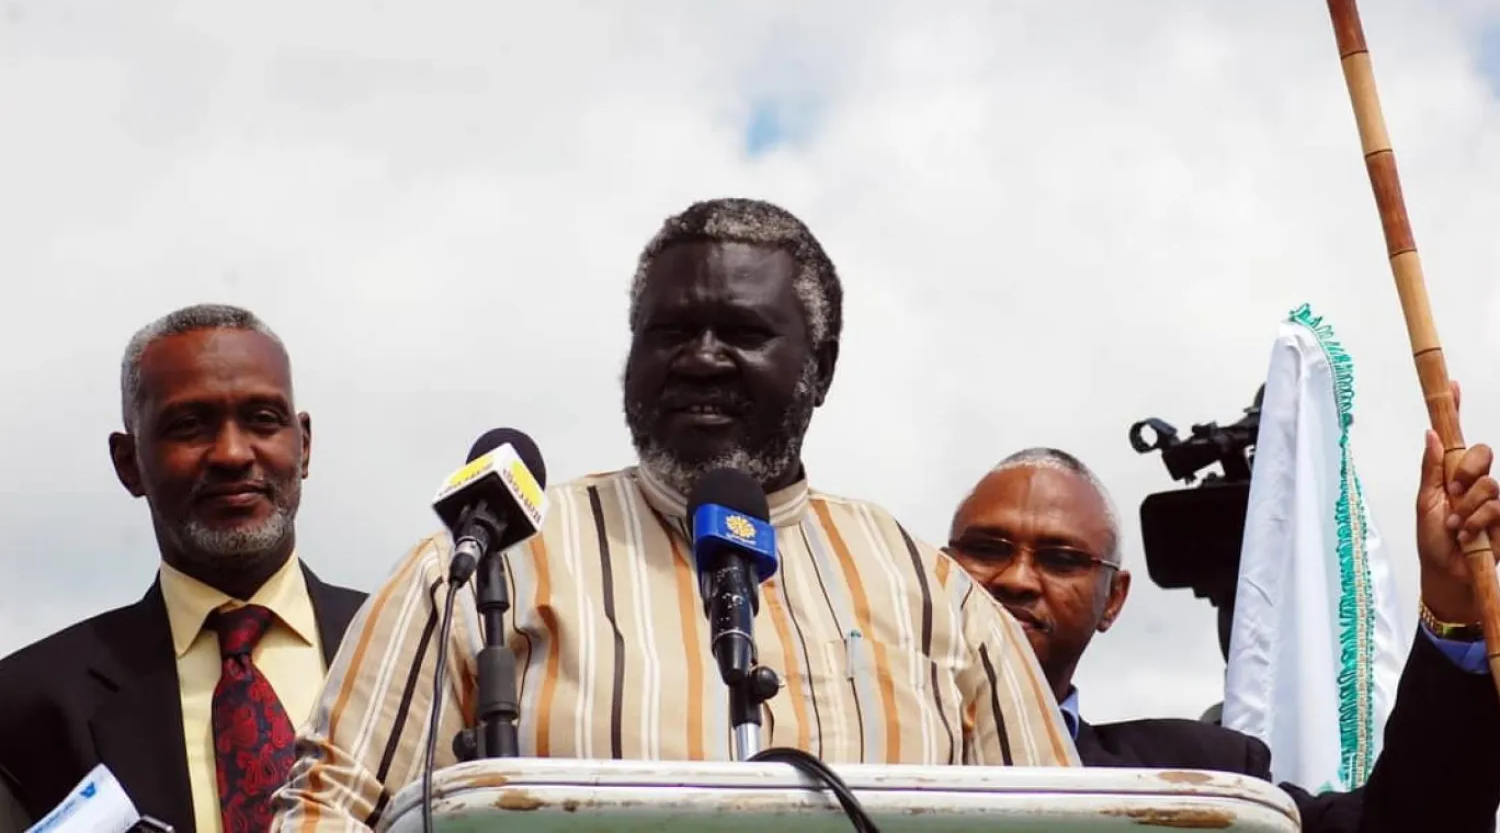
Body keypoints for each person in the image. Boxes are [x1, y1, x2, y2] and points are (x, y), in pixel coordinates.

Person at [271, 198, 1077, 832]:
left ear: (821, 368)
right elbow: (329, 807)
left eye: (742, 332)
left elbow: (1065, 822)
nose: (701, 358)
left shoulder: (933, 595)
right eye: (670, 332)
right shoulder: (494, 560)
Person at [945, 444, 1500, 832]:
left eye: (1061, 559)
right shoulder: (887, 743)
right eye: (987, 550)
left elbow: (1411, 825)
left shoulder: (1207, 778)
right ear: (940, 571)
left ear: (1112, 599)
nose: (1017, 579)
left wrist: (1452, 605)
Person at [0, 305, 367, 833]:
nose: (232, 454)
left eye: (263, 419)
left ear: (304, 444)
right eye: (189, 426)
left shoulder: (426, 656)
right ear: (129, 462)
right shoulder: (27, 709)